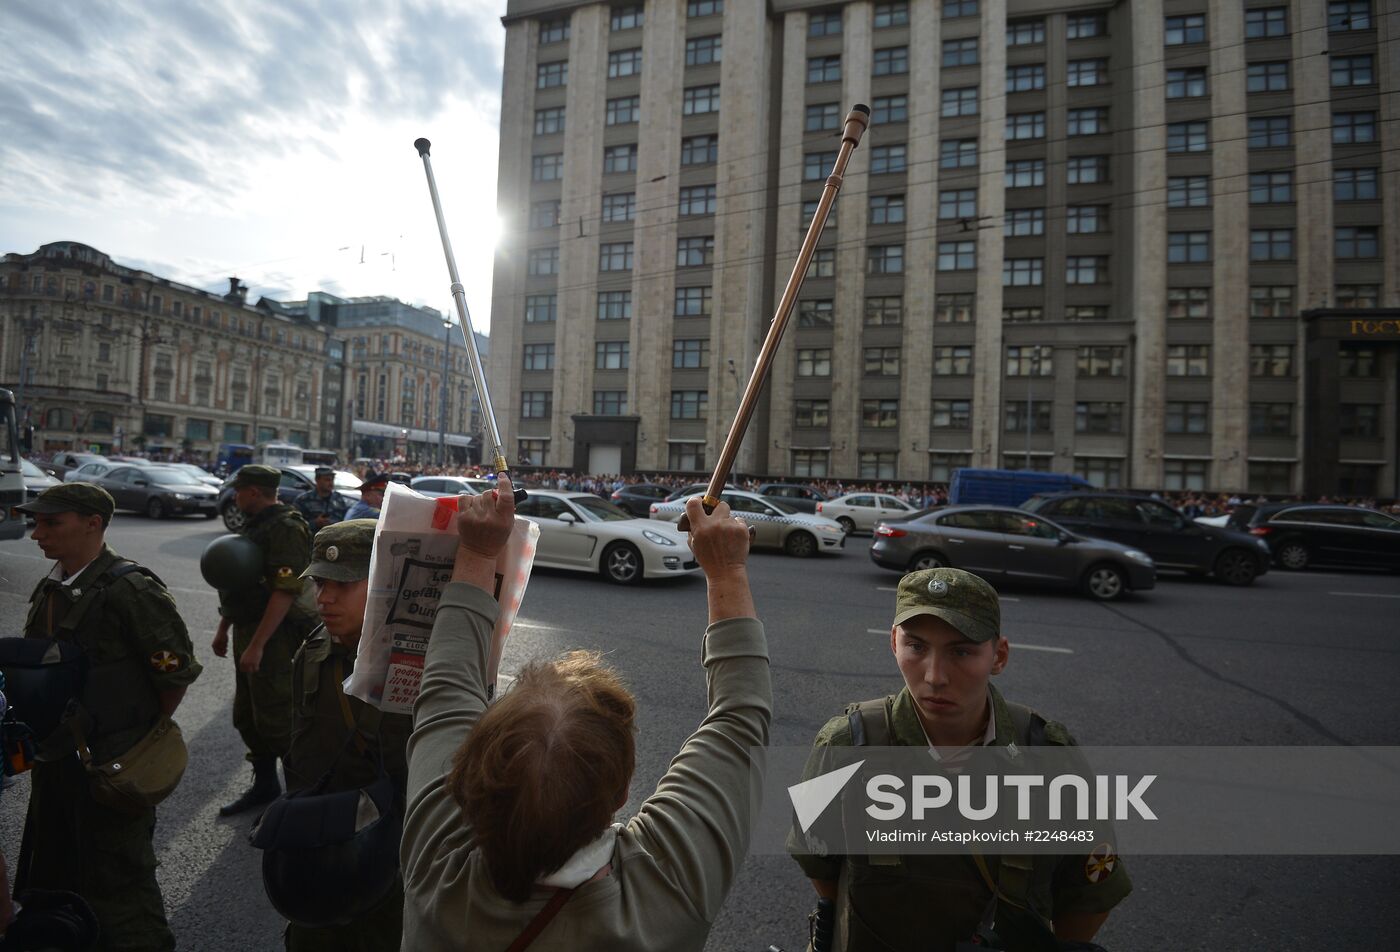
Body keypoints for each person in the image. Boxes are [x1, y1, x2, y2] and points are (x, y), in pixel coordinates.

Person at [400, 478, 770, 951]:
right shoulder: (663, 894)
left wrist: (476, 552)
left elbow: (447, 685)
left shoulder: (436, 866)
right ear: (620, 793)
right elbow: (738, 718)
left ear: (464, 779)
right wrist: (726, 572)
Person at [788, 567, 1131, 951]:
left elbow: (1090, 892)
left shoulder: (1048, 755)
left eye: (961, 651)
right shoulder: (846, 744)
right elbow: (817, 861)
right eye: (916, 647)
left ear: (998, 656)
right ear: (893, 642)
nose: (935, 676)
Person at [11, 484, 201, 951]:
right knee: (56, 873)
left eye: (51, 522)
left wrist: (138, 741)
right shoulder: (53, 585)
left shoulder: (131, 589)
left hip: (111, 762)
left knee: (120, 886)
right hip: (57, 762)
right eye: (35, 522)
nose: (37, 533)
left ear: (93, 523)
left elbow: (174, 674)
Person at [279, 519, 413, 951]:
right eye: (319, 583)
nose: (324, 598)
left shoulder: (413, 663)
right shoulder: (314, 649)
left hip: (390, 853)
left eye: (342, 585)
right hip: (322, 842)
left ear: (380, 585)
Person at [211, 464, 318, 816]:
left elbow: (284, 591)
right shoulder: (255, 523)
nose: (234, 497)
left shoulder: (286, 527)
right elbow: (240, 581)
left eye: (239, 490)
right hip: (249, 628)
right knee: (247, 714)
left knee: (277, 717)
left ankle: (299, 797)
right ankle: (265, 784)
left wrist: (258, 644)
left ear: (254, 492)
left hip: (276, 635)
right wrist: (224, 628)